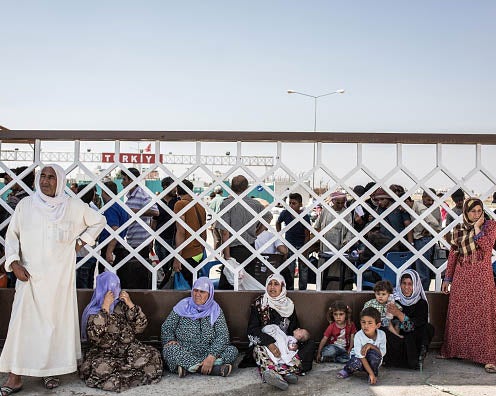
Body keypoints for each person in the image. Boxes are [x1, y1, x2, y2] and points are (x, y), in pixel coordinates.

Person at [0, 164, 106, 393]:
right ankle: (14, 376)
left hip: (58, 279)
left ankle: (49, 371)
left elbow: (99, 221)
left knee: (52, 326)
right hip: (28, 276)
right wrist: (13, 262)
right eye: (43, 176)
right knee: (21, 324)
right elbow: (12, 236)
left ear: (61, 182)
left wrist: (80, 242)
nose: (46, 181)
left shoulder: (72, 206)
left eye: (51, 177)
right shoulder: (26, 205)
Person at [79, 272, 162, 392]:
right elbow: (95, 336)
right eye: (111, 287)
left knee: (154, 355)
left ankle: (123, 375)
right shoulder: (93, 311)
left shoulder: (122, 306)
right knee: (99, 369)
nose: (115, 290)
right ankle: (131, 375)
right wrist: (105, 308)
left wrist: (130, 304)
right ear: (103, 289)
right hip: (105, 354)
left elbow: (140, 326)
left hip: (129, 350)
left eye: (117, 286)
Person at [439, 197, 496, 373]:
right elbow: (453, 256)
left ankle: (488, 357)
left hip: (482, 278)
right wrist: (447, 279)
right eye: (473, 211)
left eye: (479, 211)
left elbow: (487, 247)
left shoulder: (490, 226)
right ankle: (456, 351)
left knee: (483, 316)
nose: (476, 214)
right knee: (461, 314)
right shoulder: (459, 230)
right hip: (462, 278)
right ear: (466, 212)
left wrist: (478, 227)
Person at [242, 274, 315, 391]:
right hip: (266, 344)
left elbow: (294, 328)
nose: (272, 287)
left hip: (285, 344)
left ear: (282, 287)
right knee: (257, 348)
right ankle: (285, 373)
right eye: (270, 284)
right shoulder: (259, 304)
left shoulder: (289, 305)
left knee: (310, 343)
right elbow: (252, 330)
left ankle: (279, 372)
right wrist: (270, 344)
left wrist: (294, 343)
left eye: (276, 284)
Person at [161, 277, 238, 378]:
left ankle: (189, 367)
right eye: (195, 290)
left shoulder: (215, 310)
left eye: (202, 292)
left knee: (232, 350)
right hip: (185, 350)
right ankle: (212, 369)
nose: (197, 294)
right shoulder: (183, 306)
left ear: (209, 294)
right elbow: (167, 327)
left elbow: (223, 335)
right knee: (169, 349)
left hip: (209, 351)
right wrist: (170, 339)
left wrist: (212, 356)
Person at [217, 175, 270, 289]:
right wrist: (257, 232)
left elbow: (225, 232)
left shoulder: (226, 204)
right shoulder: (255, 204)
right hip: (250, 249)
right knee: (247, 285)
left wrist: (227, 256)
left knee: (228, 286)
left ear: (231, 187)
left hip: (233, 250)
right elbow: (268, 217)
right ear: (247, 187)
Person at [383, 269, 434, 370]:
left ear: (416, 285)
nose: (406, 287)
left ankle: (418, 357)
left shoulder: (421, 303)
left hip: (412, 340)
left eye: (410, 284)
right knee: (383, 329)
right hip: (398, 339)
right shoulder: (394, 299)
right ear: (400, 284)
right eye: (404, 283)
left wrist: (398, 313)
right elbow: (387, 322)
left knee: (427, 328)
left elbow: (413, 327)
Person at [121, 167, 159, 289]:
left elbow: (155, 211)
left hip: (140, 242)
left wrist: (134, 211)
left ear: (131, 180)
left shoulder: (142, 194)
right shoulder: (129, 196)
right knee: (131, 275)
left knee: (138, 276)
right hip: (131, 240)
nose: (122, 182)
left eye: (124, 179)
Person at [314, 191, 354, 290]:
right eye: (338, 203)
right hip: (325, 247)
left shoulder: (347, 214)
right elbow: (317, 226)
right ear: (333, 201)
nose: (340, 205)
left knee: (337, 275)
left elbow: (350, 232)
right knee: (324, 273)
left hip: (339, 248)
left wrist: (346, 245)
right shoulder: (326, 211)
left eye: (342, 203)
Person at [337, 307, 386, 385]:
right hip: (359, 360)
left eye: (370, 323)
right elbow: (360, 356)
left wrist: (371, 345)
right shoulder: (358, 336)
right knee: (355, 361)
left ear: (378, 325)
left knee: (375, 355)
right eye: (363, 322)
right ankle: (347, 370)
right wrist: (371, 373)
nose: (366, 326)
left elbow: (382, 353)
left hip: (373, 361)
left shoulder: (382, 334)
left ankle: (373, 374)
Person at [173, 179, 207, 287]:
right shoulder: (200, 205)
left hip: (187, 252)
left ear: (177, 191)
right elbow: (204, 231)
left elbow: (181, 231)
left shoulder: (180, 204)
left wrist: (177, 258)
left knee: (186, 288)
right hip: (199, 252)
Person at [276, 193, 311, 290]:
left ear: (300, 204)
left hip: (301, 244)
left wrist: (305, 248)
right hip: (289, 244)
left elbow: (307, 233)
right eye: (290, 203)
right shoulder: (285, 213)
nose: (291, 205)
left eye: (294, 203)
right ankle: (289, 289)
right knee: (289, 268)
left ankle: (303, 290)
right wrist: (280, 236)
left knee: (303, 268)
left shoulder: (304, 216)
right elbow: (278, 222)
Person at [412, 189, 442, 290]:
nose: (430, 202)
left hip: (430, 239)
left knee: (426, 270)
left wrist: (429, 230)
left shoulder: (435, 208)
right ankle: (422, 292)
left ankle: (424, 291)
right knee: (422, 270)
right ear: (423, 197)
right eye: (428, 200)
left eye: (432, 200)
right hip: (421, 240)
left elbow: (438, 226)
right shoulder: (418, 206)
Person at [151, 177, 178, 287]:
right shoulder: (158, 202)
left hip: (173, 240)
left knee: (171, 267)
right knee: (163, 266)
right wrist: (150, 240)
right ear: (165, 187)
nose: (175, 190)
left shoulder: (178, 201)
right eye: (173, 187)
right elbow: (154, 222)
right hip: (160, 240)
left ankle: (169, 287)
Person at [98, 181, 130, 273]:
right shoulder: (121, 206)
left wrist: (109, 251)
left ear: (105, 192)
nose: (101, 196)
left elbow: (115, 229)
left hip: (111, 247)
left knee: (106, 280)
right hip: (119, 246)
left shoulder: (110, 207)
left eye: (102, 193)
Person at [75, 184, 99, 289]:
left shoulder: (76, 210)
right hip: (91, 253)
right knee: (89, 286)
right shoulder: (94, 209)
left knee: (81, 288)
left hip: (79, 254)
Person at [208, 185, 224, 250]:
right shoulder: (223, 200)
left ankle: (216, 255)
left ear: (215, 192)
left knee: (217, 239)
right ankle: (222, 255)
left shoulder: (213, 201)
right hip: (222, 221)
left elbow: (209, 213)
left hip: (214, 221)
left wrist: (210, 223)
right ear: (222, 192)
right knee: (224, 239)